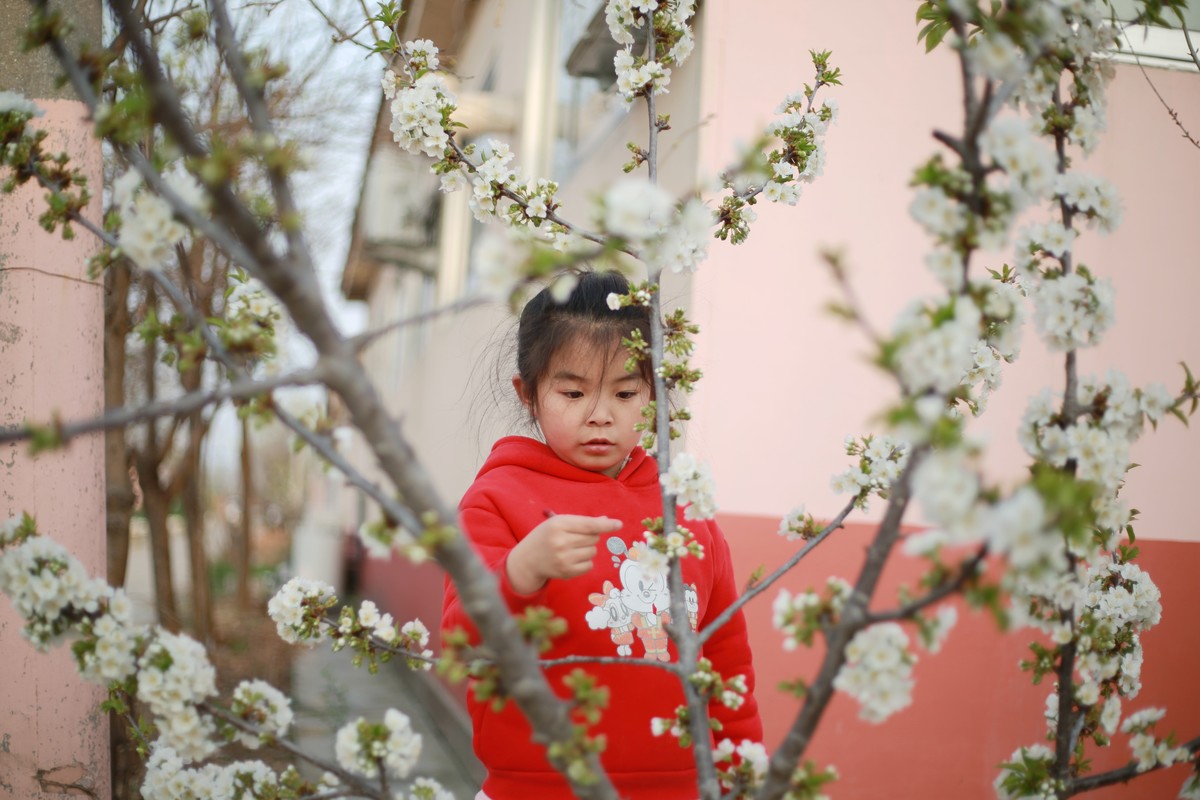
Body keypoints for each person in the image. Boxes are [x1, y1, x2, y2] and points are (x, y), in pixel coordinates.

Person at [441, 270, 762, 800]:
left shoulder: (683, 507)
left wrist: (742, 774)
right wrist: (519, 573)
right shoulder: (497, 500)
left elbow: (726, 658)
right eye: (572, 391)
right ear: (528, 393)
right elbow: (466, 649)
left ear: (653, 393)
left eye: (625, 391)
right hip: (540, 789)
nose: (599, 415)